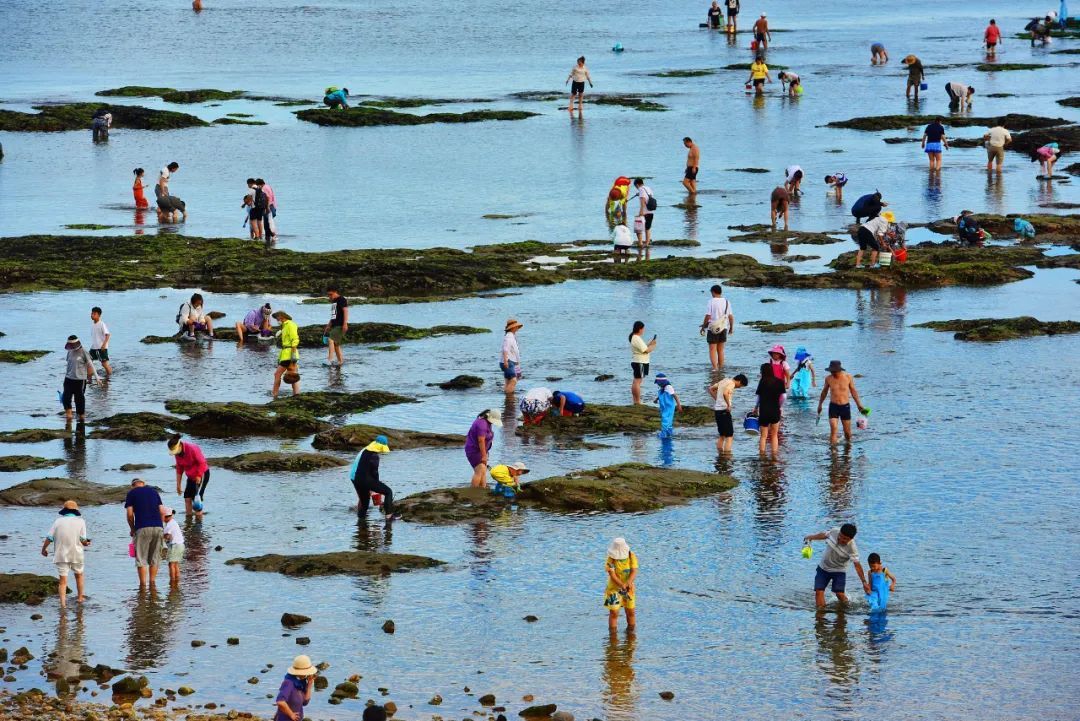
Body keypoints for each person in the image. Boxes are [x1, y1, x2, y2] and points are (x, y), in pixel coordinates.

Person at [802, 523, 870, 607]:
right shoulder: (834, 531)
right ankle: (820, 616)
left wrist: (864, 582)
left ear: (851, 539)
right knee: (819, 592)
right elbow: (824, 535)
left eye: (845, 539)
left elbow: (857, 565)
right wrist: (811, 537)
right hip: (823, 568)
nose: (841, 539)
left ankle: (847, 607)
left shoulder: (852, 549)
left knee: (839, 594)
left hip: (839, 571)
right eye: (840, 536)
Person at [41, 500, 90, 606]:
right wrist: (87, 543)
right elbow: (83, 540)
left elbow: (49, 537)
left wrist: (43, 549)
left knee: (62, 581)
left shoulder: (58, 521)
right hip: (76, 554)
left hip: (61, 555)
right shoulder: (81, 521)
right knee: (79, 576)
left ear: (65, 510)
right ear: (75, 511)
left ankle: (63, 605)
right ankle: (80, 598)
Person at [124, 478, 166, 588]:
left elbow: (129, 514)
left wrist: (133, 529)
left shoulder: (131, 493)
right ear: (143, 484)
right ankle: (152, 585)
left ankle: (142, 586)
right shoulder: (154, 492)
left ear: (133, 485)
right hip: (158, 527)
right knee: (155, 557)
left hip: (142, 527)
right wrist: (160, 525)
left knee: (141, 559)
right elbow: (162, 511)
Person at [817, 360, 868, 444]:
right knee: (833, 429)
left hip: (845, 407)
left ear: (839, 370)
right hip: (833, 407)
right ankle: (833, 452)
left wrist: (859, 404)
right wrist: (820, 404)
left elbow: (853, 391)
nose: (832, 373)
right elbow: (824, 392)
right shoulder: (828, 378)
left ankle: (848, 451)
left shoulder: (848, 377)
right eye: (831, 371)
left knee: (847, 433)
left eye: (834, 371)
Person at [350, 435, 398, 520]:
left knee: (364, 504)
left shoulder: (365, 451)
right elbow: (374, 472)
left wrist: (373, 487)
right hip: (366, 480)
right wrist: (376, 485)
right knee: (388, 492)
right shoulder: (374, 456)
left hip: (357, 480)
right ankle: (389, 516)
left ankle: (361, 522)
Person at [168, 434, 209, 518]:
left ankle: (198, 527)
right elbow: (179, 468)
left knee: (196, 501)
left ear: (180, 445)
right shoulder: (177, 454)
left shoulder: (192, 448)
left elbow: (202, 463)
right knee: (187, 498)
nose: (175, 454)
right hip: (191, 476)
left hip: (201, 474)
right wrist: (178, 485)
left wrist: (198, 475)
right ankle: (188, 522)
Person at [62, 335, 98, 423]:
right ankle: (69, 418)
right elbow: (69, 365)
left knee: (79, 400)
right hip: (68, 379)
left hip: (80, 380)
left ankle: (81, 418)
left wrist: (96, 378)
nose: (71, 347)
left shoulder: (84, 352)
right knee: (66, 399)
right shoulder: (69, 352)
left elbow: (91, 365)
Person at [604, 538, 638, 631]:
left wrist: (628, 583)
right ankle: (613, 636)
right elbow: (612, 575)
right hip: (614, 589)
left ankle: (631, 633)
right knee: (614, 612)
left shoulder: (631, 556)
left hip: (629, 589)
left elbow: (634, 571)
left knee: (630, 611)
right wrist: (621, 585)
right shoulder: (610, 560)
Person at [709, 373, 748, 453]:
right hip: (724, 411)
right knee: (729, 436)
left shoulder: (724, 380)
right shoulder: (732, 383)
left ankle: (720, 454)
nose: (739, 387)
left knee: (722, 435)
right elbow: (725, 393)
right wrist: (728, 405)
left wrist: (717, 399)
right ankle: (727, 455)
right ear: (739, 381)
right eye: (740, 386)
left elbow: (710, 389)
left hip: (717, 411)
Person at [700, 284, 734, 370]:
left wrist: (703, 326)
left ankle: (715, 368)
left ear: (713, 292)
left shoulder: (711, 301)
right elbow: (730, 316)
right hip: (724, 327)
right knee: (721, 350)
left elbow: (708, 316)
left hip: (713, 328)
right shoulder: (727, 301)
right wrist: (731, 328)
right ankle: (721, 367)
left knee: (712, 349)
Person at [753, 362, 784, 455]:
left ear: (763, 372)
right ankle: (774, 456)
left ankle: (762, 455)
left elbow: (758, 397)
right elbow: (784, 396)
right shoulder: (779, 382)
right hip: (775, 410)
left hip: (764, 411)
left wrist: (756, 408)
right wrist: (780, 406)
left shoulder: (762, 382)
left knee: (763, 436)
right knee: (774, 435)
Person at [274, 655, 317, 721]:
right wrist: (291, 714)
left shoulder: (301, 683)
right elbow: (280, 702)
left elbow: (305, 702)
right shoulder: (289, 683)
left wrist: (309, 685)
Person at [465, 410, 500, 488]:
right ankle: (473, 492)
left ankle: (482, 489)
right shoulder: (482, 424)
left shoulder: (487, 423)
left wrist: (486, 453)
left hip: (481, 450)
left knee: (483, 471)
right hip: (474, 450)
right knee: (479, 471)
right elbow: (481, 441)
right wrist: (484, 456)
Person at [272, 311, 300, 397]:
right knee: (293, 375)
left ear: (281, 317)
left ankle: (275, 394)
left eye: (277, 319)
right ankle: (296, 394)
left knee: (277, 374)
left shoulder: (290, 325)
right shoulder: (285, 325)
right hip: (286, 353)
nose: (277, 320)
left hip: (289, 354)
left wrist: (293, 357)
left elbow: (295, 340)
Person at [628, 321, 656, 404]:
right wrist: (653, 345)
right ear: (640, 329)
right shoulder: (636, 338)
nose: (643, 330)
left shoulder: (635, 337)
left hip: (637, 361)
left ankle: (635, 400)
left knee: (636, 381)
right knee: (637, 381)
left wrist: (649, 344)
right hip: (640, 361)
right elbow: (646, 350)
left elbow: (642, 348)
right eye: (643, 329)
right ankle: (637, 401)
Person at [324, 285, 349, 366]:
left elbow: (345, 311)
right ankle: (340, 361)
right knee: (336, 345)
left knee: (330, 339)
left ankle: (330, 360)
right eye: (328, 295)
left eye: (330, 294)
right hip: (334, 325)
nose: (329, 296)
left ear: (335, 292)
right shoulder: (334, 302)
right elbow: (333, 315)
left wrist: (345, 324)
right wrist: (328, 325)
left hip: (340, 325)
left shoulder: (341, 299)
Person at [654, 373, 681, 439]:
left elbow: (675, 396)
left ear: (662, 382)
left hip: (669, 407)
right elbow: (660, 395)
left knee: (665, 418)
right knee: (668, 419)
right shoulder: (662, 388)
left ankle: (664, 433)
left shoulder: (669, 387)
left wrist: (679, 405)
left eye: (658, 383)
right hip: (664, 406)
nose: (658, 384)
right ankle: (669, 432)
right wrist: (656, 399)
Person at [500, 318, 523, 394]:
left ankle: (508, 399)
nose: (517, 328)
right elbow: (505, 349)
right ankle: (509, 397)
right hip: (508, 361)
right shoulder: (509, 336)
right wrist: (506, 361)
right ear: (512, 327)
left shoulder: (511, 336)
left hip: (511, 361)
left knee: (508, 381)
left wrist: (517, 362)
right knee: (513, 380)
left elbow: (513, 351)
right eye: (516, 326)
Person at [88, 306, 112, 379]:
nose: (92, 315)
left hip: (101, 347)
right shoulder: (93, 325)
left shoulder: (101, 324)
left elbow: (108, 335)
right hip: (94, 347)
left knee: (104, 364)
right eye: (92, 313)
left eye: (94, 314)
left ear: (99, 315)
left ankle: (109, 377)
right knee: (89, 362)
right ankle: (89, 377)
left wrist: (104, 345)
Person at [633, 178, 655, 251]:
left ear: (637, 184)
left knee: (638, 228)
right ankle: (647, 243)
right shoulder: (648, 188)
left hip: (645, 212)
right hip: (651, 211)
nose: (636, 188)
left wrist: (641, 212)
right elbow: (648, 197)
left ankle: (640, 243)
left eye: (636, 186)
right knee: (647, 228)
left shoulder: (641, 189)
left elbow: (642, 200)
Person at [162, 508, 184, 583]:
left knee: (171, 564)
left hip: (175, 546)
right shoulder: (174, 522)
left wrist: (162, 537)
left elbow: (168, 536)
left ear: (166, 517)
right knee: (176, 564)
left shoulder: (169, 525)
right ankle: (177, 580)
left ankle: (172, 581)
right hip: (181, 545)